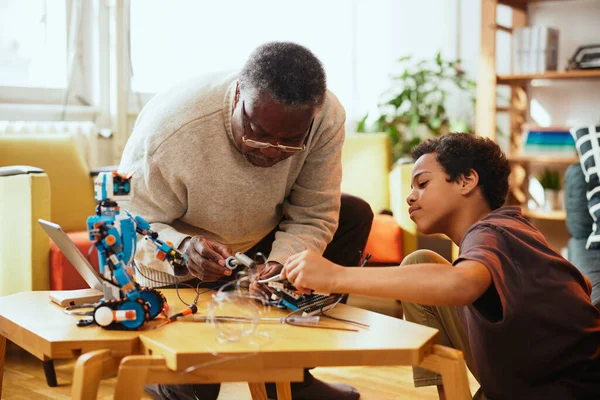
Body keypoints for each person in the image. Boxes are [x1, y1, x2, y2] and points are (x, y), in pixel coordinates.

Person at [117, 41, 371, 400]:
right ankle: (157, 370)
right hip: (178, 264)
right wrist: (182, 250)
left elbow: (314, 212)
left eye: (290, 142)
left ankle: (290, 375)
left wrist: (282, 264)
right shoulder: (171, 131)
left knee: (354, 215)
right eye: (259, 133)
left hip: (258, 242)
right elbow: (127, 224)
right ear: (238, 95)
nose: (271, 151)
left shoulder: (326, 117)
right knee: (195, 390)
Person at [281, 133, 600, 400]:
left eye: (422, 183)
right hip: (523, 379)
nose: (409, 197)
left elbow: (461, 285)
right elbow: (582, 283)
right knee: (420, 263)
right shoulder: (509, 236)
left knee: (445, 276)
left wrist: (335, 274)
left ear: (466, 180)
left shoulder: (495, 230)